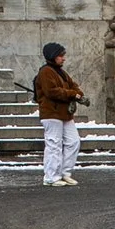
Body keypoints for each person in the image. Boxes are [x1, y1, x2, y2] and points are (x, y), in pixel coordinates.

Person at [34, 42, 85, 187]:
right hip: (51, 113)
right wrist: (73, 94)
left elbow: (74, 86)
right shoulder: (46, 72)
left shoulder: (60, 72)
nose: (63, 58)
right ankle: (51, 176)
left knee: (73, 142)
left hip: (63, 113)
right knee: (53, 144)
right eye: (60, 55)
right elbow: (52, 91)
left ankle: (64, 172)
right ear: (52, 56)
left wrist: (76, 93)